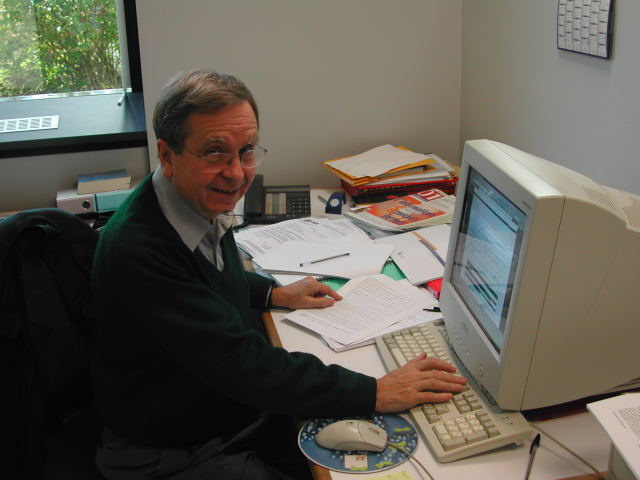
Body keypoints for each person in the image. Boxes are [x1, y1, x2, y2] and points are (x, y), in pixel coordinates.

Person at [91, 69, 467, 480]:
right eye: (215, 153)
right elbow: (239, 363)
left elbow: (204, 281)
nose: (237, 174)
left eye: (246, 151)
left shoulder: (190, 202)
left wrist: (272, 293)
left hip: (217, 408)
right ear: (167, 155)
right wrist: (375, 391)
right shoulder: (140, 248)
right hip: (171, 448)